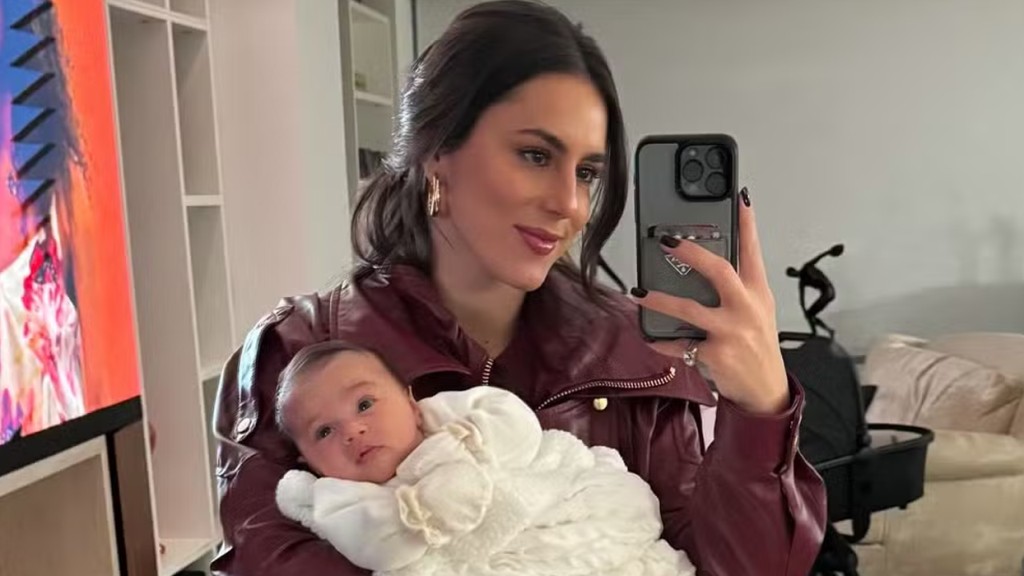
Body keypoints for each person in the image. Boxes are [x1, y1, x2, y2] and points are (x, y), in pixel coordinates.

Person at [211, 2, 827, 574]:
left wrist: (761, 408)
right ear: (438, 152)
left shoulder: (642, 356)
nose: (570, 205)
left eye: (587, 172)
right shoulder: (294, 354)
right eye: (535, 155)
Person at [271, 340, 697, 575]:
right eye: (324, 431)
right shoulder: (341, 501)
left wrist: (465, 450)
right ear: (311, 465)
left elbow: (520, 428)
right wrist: (425, 509)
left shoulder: (451, 418)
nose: (352, 431)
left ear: (411, 403)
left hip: (554, 501)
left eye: (364, 404)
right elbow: (380, 546)